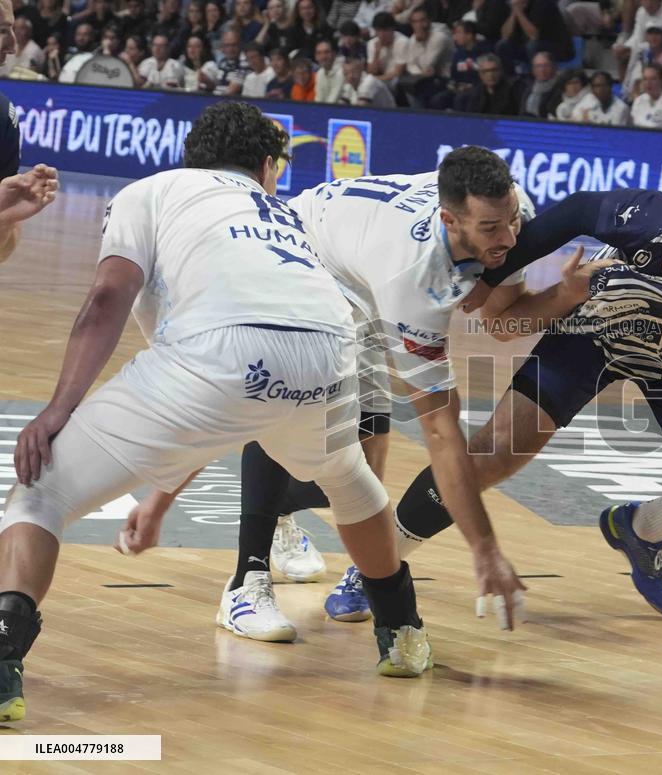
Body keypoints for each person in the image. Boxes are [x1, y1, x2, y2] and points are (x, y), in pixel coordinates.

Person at [0, 102, 431, 724]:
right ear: (267, 167)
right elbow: (221, 408)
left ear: (191, 157)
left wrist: (57, 409)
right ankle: (403, 631)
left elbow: (110, 299)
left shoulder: (153, 191)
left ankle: (2, 657)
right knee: (351, 481)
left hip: (223, 355)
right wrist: (159, 502)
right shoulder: (285, 215)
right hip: (330, 353)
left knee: (41, 492)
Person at [322, 149, 662, 623]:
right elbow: (580, 209)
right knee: (490, 456)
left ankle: (643, 529)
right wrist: (490, 275)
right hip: (595, 328)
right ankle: (377, 567)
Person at [130, 147, 617, 634]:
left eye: (510, 221)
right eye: (492, 228)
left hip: (358, 264)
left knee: (363, 462)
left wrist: (562, 295)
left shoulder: (510, 212)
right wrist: (484, 549)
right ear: (449, 220)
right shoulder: (415, 279)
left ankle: (278, 510)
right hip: (302, 256)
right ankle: (246, 581)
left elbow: (501, 322)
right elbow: (441, 432)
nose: (510, 237)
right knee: (289, 395)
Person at [0, 0, 58, 264]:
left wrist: (4, 217)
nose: (12, 46)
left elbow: (3, 251)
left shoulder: (4, 115)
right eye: (2, 30)